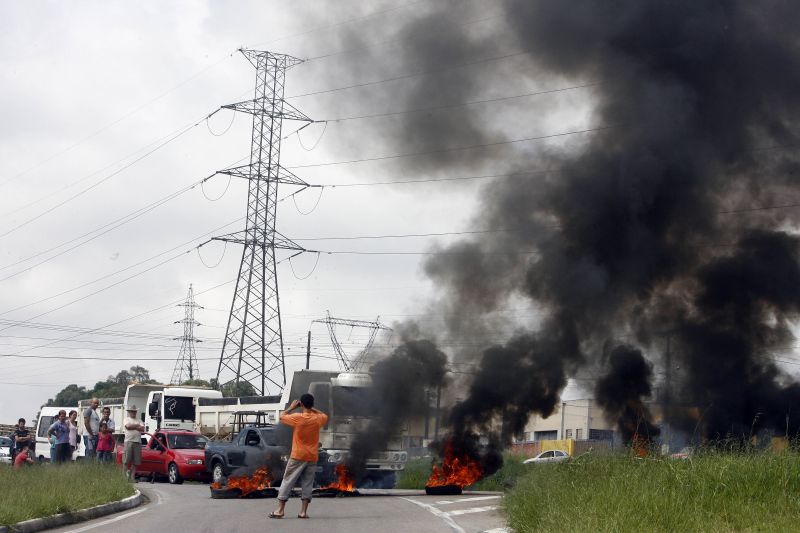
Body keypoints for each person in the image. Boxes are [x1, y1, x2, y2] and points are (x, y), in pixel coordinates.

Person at [269, 393, 328, 520]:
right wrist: (312, 408)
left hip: (297, 456)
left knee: (288, 481)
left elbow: (282, 416)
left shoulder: (298, 417)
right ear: (312, 404)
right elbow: (325, 415)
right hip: (312, 456)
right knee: (307, 483)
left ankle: (280, 510)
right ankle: (303, 512)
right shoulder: (318, 419)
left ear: (301, 404)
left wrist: (292, 407)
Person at [122, 405, 144, 482]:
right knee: (126, 461)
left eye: (134, 411)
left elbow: (142, 429)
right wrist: (137, 426)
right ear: (129, 412)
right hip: (128, 441)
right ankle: (124, 478)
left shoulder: (140, 420)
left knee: (136, 462)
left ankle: (132, 477)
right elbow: (128, 426)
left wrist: (134, 426)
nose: (133, 412)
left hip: (137, 442)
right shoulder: (126, 419)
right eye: (132, 411)